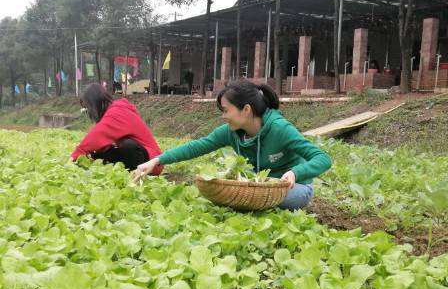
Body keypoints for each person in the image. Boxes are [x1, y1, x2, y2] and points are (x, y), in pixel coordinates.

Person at [134, 80, 332, 210]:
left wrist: (295, 173)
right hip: (256, 186)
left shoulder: (280, 128)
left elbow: (323, 159)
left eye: (226, 110)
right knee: (236, 194)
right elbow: (198, 146)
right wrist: (157, 160)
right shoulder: (231, 132)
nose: (223, 116)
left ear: (245, 110)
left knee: (271, 199)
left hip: (291, 188)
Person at [71, 83, 163, 174]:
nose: (88, 113)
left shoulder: (116, 112)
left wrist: (73, 158)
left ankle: (136, 175)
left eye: (87, 108)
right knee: (98, 152)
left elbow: (96, 136)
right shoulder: (113, 110)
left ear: (94, 104)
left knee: (128, 145)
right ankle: (127, 173)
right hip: (142, 157)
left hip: (153, 162)